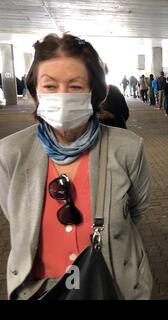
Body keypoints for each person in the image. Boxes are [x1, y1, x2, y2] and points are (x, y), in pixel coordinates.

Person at [0, 34, 152, 300]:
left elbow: (135, 212)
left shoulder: (127, 148)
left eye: (75, 86)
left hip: (110, 288)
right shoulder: (10, 153)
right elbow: (18, 217)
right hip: (38, 292)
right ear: (35, 90)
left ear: (94, 91)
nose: (62, 95)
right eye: (50, 86)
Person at [98, 65, 130, 129]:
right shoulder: (87, 93)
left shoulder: (114, 91)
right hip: (95, 134)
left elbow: (125, 113)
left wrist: (111, 116)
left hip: (116, 132)